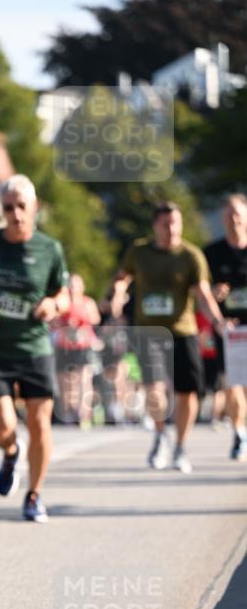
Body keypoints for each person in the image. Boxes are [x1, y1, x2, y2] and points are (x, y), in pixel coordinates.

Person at [0, 175, 69, 522]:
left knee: (41, 423)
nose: (15, 214)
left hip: (35, 348)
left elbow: (63, 292)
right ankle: (12, 452)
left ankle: (34, 495)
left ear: (34, 207)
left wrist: (53, 305)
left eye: (21, 207)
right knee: (1, 427)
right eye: (8, 208)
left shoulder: (50, 249)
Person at [111, 201, 227, 473]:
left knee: (187, 394)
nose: (172, 228)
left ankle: (180, 446)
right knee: (153, 388)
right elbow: (121, 277)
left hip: (182, 331)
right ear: (155, 226)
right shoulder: (139, 252)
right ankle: (161, 434)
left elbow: (203, 294)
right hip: (148, 331)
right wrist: (117, 293)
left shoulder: (191, 255)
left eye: (176, 223)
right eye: (166, 224)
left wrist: (218, 321)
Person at [203, 194, 247, 461]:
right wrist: (213, 292)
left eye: (239, 215)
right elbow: (199, 291)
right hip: (227, 329)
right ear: (223, 219)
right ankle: (239, 432)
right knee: (232, 385)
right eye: (229, 215)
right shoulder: (211, 253)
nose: (234, 220)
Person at [53, 272, 100, 428]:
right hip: (65, 347)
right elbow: (53, 322)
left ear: (82, 287)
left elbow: (95, 319)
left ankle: (83, 415)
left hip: (83, 347)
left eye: (76, 284)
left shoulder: (88, 303)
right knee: (66, 382)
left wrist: (81, 327)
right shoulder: (63, 303)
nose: (73, 288)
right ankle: (68, 413)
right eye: (70, 284)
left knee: (84, 380)